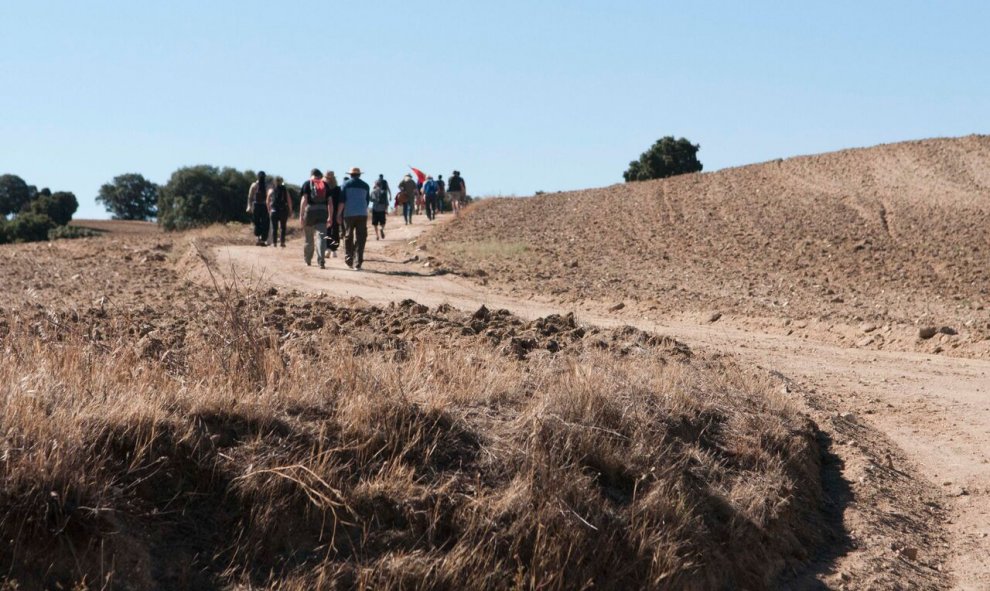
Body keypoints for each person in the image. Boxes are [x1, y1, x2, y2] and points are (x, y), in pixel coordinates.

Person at [338, 167, 371, 270]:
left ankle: (349, 259)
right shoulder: (366, 185)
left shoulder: (345, 185)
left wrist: (338, 214)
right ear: (359, 175)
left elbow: (342, 201)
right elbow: (367, 201)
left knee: (348, 236)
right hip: (362, 214)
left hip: (349, 214)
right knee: (361, 238)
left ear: (350, 175)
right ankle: (358, 262)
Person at [299, 168, 331, 268]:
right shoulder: (325, 185)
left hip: (310, 212)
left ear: (311, 175)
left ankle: (308, 260)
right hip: (322, 212)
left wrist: (301, 215)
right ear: (320, 175)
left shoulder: (307, 184)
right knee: (321, 237)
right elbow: (330, 202)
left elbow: (304, 200)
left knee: (309, 238)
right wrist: (330, 216)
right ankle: (321, 260)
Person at [267, 176, 293, 247]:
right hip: (283, 210)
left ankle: (274, 243)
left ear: (274, 182)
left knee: (274, 228)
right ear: (282, 182)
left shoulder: (271, 190)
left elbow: (268, 200)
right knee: (283, 227)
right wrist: (290, 210)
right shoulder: (285, 190)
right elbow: (289, 201)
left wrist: (269, 209)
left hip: (274, 210)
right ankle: (282, 242)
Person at [247, 171, 270, 245]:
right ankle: (261, 239)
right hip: (262, 206)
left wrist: (249, 206)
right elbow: (250, 197)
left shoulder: (254, 185)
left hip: (257, 205)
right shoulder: (266, 185)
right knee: (263, 223)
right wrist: (249, 206)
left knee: (258, 223)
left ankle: (260, 239)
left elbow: (250, 197)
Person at [324, 170, 342, 258]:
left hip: (332, 212)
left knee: (333, 231)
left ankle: (332, 249)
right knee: (330, 231)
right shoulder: (324, 187)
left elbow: (340, 202)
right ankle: (329, 249)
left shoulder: (336, 189)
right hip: (328, 212)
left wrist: (339, 214)